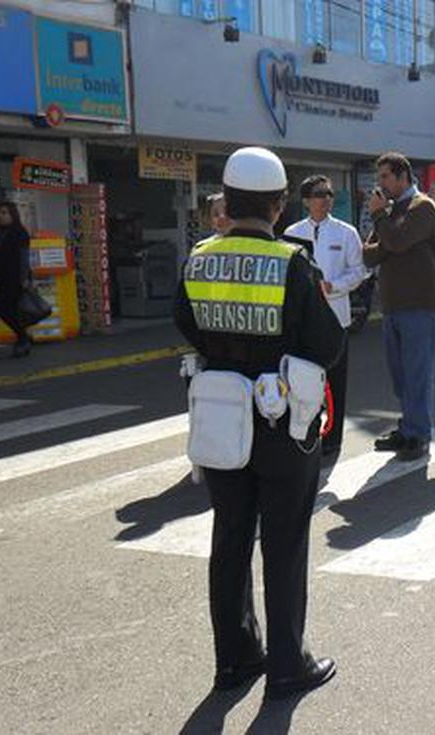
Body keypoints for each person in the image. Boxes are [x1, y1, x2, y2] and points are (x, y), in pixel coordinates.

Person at [173, 147, 344, 699]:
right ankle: (288, 666)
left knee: (230, 538)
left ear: (229, 200)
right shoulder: (294, 263)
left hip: (222, 421)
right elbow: (329, 344)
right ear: (277, 205)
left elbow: (186, 324)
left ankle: (236, 661)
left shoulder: (198, 257)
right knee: (285, 542)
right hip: (281, 426)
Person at [362, 152, 435, 462]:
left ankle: (418, 435)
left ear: (402, 176)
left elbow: (395, 243)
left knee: (417, 372)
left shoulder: (422, 207)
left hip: (420, 303)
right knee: (400, 374)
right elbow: (369, 255)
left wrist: (383, 222)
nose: (379, 184)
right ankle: (408, 426)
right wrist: (385, 227)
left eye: (384, 177)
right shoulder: (391, 212)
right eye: (378, 177)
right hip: (393, 305)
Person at [285, 175, 366, 459]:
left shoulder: (346, 232)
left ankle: (332, 441)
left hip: (336, 318)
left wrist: (336, 286)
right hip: (303, 321)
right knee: (302, 381)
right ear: (306, 201)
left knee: (336, 382)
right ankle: (305, 434)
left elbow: (359, 271)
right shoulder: (292, 233)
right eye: (319, 194)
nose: (326, 199)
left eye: (330, 194)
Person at [0, 202, 32, 357]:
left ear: (13, 215)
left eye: (5, 213)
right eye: (0, 212)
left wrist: (24, 278)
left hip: (15, 277)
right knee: (4, 309)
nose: (1, 216)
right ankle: (23, 337)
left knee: (4, 308)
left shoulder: (20, 233)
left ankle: (22, 338)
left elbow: (24, 257)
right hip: (3, 277)